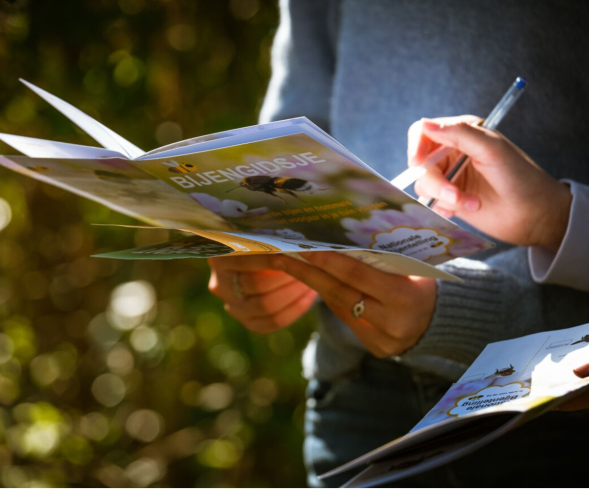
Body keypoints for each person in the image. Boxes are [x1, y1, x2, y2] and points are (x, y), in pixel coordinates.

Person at [208, 0, 589, 487]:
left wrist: (553, 218)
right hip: (357, 403)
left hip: (556, 400)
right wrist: (251, 240)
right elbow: (289, 143)